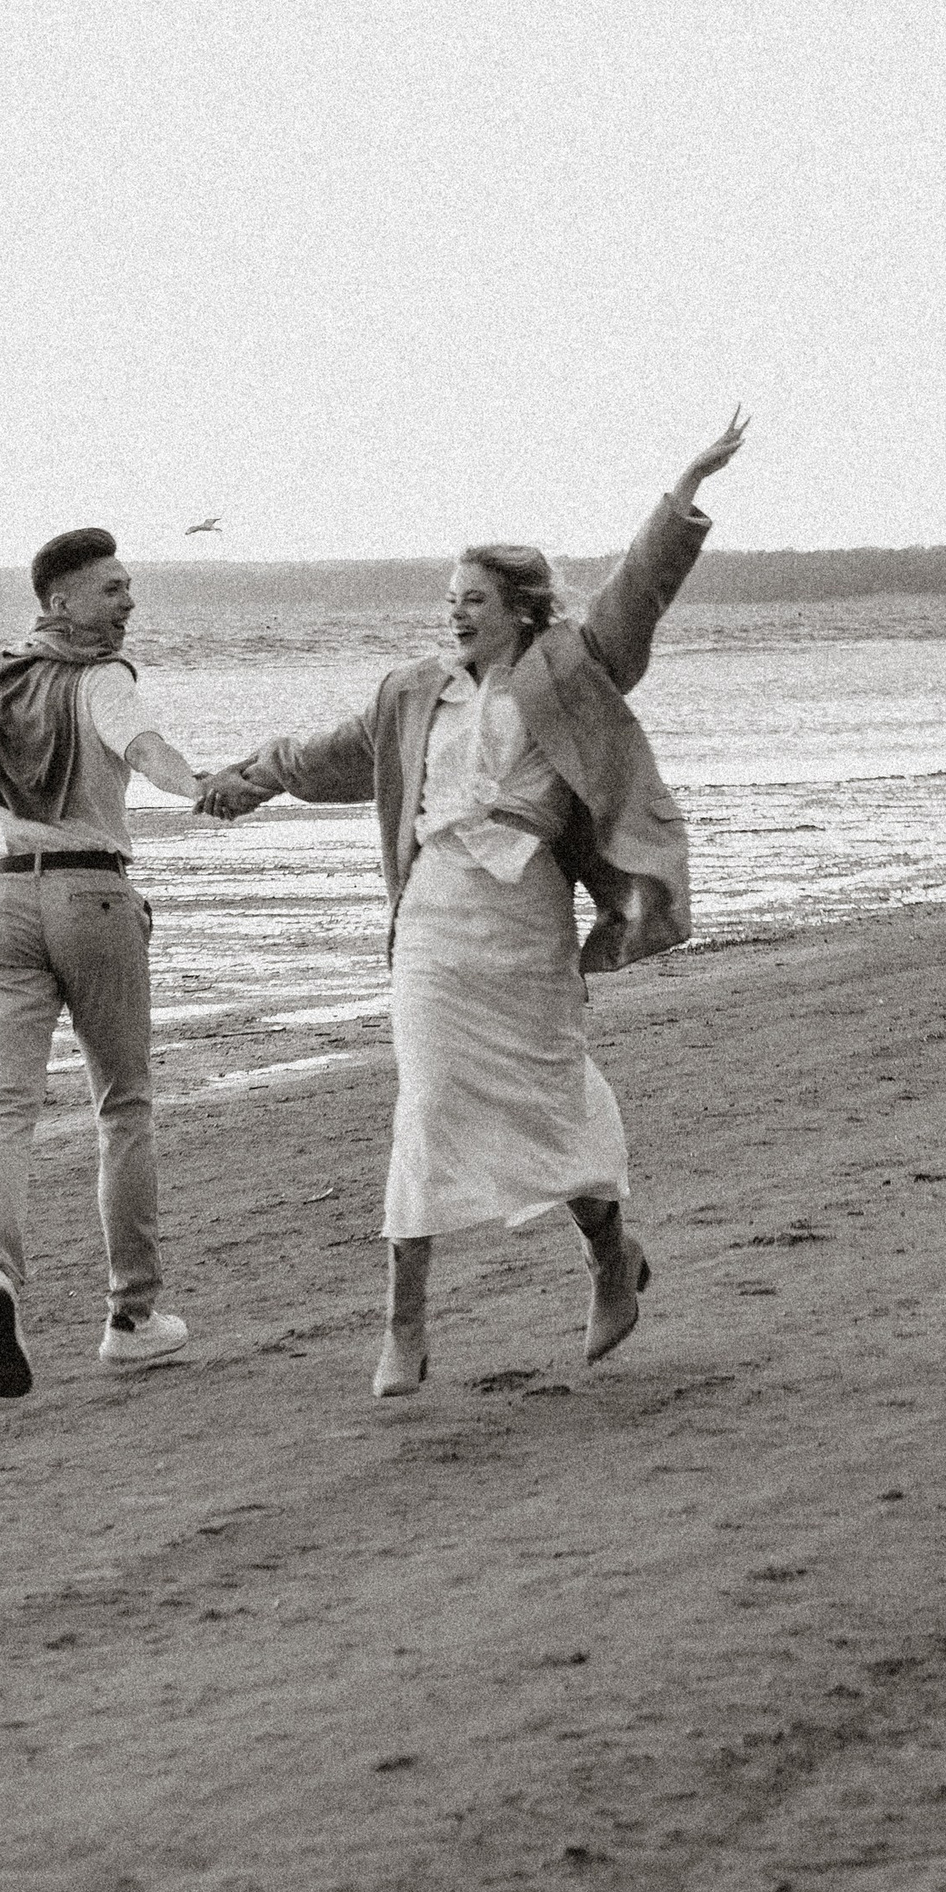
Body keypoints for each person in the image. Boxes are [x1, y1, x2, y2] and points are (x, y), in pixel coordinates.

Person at [199, 416, 746, 1397]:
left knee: (548, 1096)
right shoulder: (412, 692)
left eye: (473, 600)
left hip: (525, 921)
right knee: (428, 1100)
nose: (454, 613)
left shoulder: (567, 668)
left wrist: (682, 492)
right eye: (448, 598)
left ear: (518, 609)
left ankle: (610, 1261)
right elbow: (329, 753)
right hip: (434, 924)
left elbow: (637, 594)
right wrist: (248, 777)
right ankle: (403, 1326)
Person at [0, 526, 207, 1400]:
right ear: (59, 602)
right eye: (109, 591)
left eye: (129, 588)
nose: (127, 603)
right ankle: (131, 1318)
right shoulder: (104, 678)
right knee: (122, 1105)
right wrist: (208, 787)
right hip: (93, 895)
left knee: (5, 1105)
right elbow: (144, 748)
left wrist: (0, 879)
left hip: (3, 901)